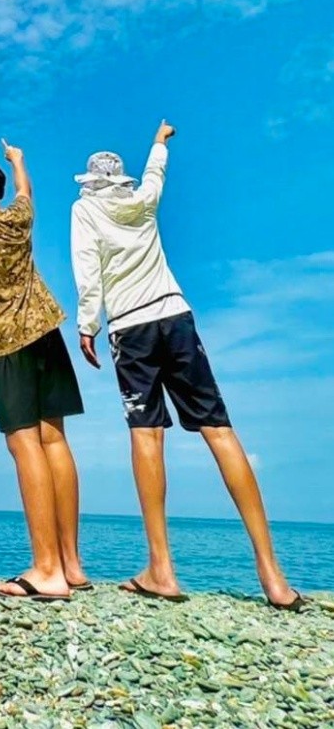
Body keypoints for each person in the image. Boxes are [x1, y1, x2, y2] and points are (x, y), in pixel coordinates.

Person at [72, 120, 304, 609]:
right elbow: (156, 173)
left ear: (90, 182)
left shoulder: (85, 209)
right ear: (120, 180)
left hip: (131, 328)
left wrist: (87, 325)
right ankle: (274, 576)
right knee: (219, 430)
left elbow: (87, 269)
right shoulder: (143, 200)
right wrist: (159, 140)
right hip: (175, 315)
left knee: (146, 435)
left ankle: (161, 568)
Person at [0, 139, 87, 601]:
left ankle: (46, 569)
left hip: (6, 342)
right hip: (47, 331)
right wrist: (19, 159)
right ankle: (71, 564)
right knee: (55, 440)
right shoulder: (19, 218)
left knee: (24, 445)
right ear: (0, 191)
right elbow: (27, 191)